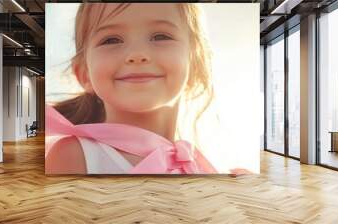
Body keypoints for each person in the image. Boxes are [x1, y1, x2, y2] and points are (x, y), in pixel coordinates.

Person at [46, 3, 247, 175]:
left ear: (195, 66)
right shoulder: (75, 155)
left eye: (160, 36)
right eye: (111, 40)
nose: (137, 54)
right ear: (84, 74)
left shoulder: (197, 165)